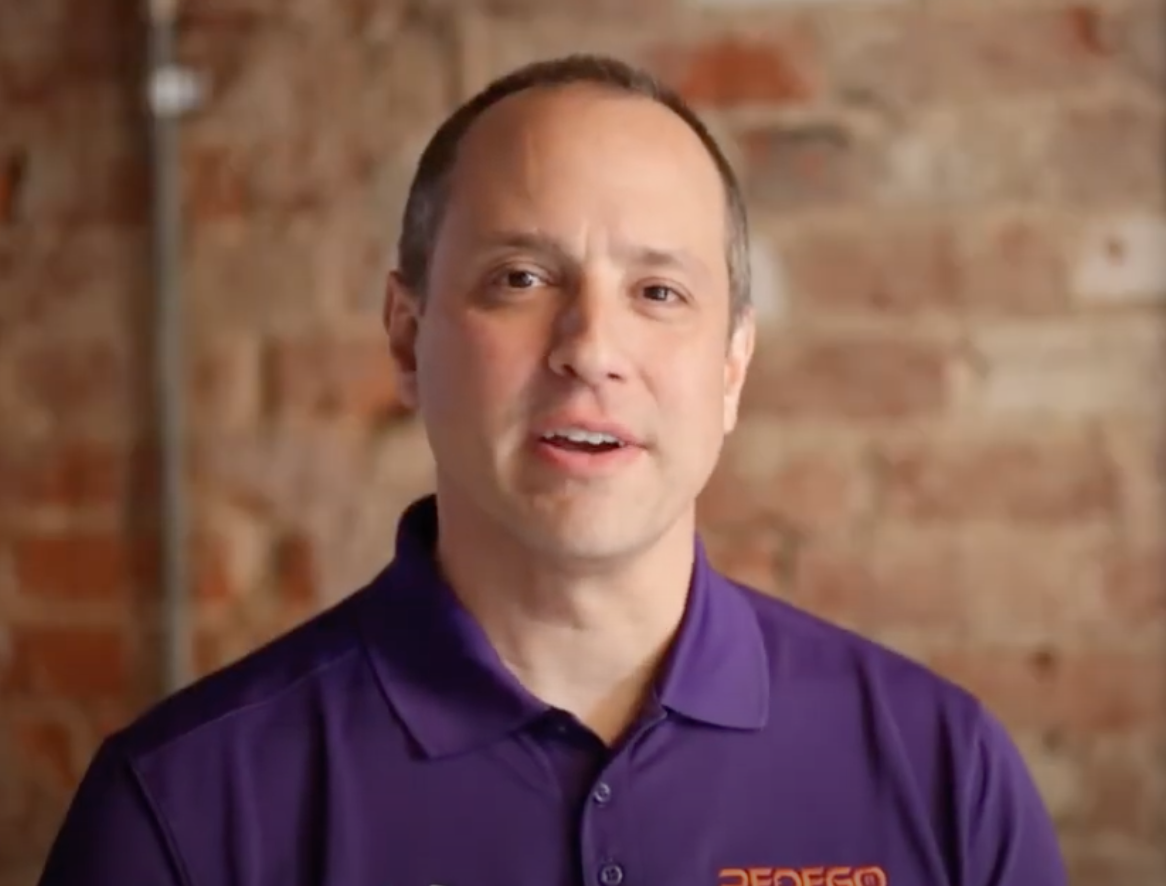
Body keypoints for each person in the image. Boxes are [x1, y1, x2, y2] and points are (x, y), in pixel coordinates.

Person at [38, 54, 1068, 886]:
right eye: (520, 278)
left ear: (731, 367)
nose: (588, 346)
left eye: (658, 291)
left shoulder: (945, 775)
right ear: (406, 336)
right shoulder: (181, 810)